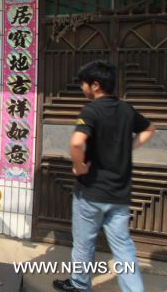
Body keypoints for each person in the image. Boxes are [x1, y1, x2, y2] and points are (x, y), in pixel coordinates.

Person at [53, 60, 155, 292]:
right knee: (123, 247)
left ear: (96, 85)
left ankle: (79, 284)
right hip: (119, 194)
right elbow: (149, 129)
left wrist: (79, 168)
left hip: (90, 192)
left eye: (84, 84)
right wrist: (128, 147)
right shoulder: (127, 109)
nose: (82, 88)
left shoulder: (91, 110)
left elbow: (77, 143)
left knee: (84, 243)